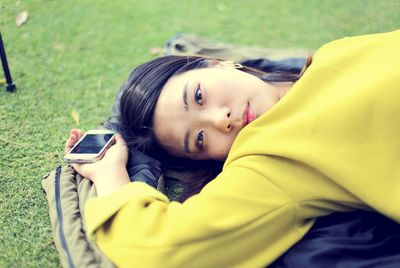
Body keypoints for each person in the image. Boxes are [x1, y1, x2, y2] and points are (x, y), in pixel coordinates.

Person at [65, 30, 400, 267]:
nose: (220, 120)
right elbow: (160, 247)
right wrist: (110, 173)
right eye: (199, 140)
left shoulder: (334, 54)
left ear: (217, 63)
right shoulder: (269, 164)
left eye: (198, 96)